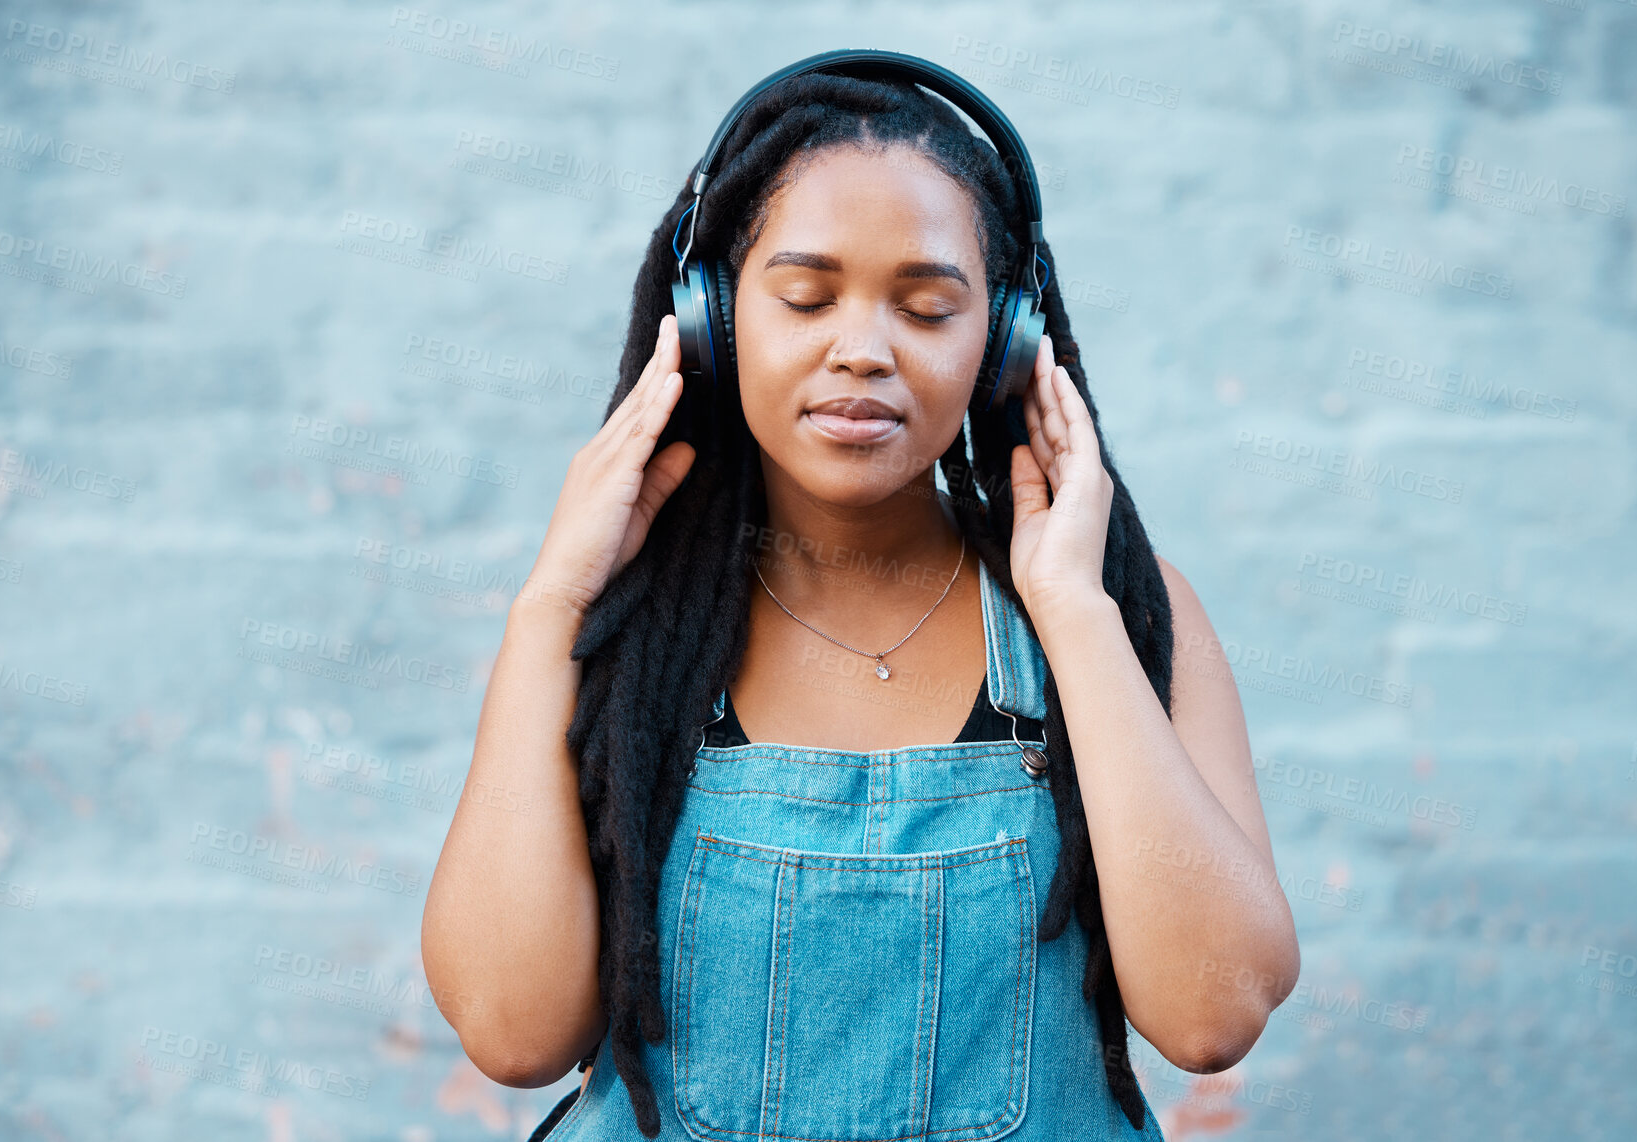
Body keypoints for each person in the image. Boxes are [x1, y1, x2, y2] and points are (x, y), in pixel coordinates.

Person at [421, 60, 1299, 1142]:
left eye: (927, 308)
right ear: (711, 320)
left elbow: (1213, 1012)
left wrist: (1070, 609)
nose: (863, 350)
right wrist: (550, 603)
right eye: (804, 297)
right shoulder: (616, 628)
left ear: (1005, 340)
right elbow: (512, 1033)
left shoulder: (1123, 610)